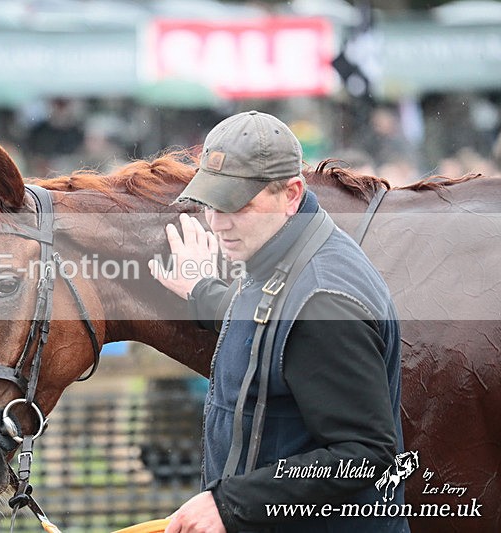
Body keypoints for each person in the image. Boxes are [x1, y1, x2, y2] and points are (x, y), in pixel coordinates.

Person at [148, 111, 407, 532]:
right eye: (211, 203)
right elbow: (273, 325)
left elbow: (364, 455)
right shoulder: (286, 251)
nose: (217, 222)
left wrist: (230, 505)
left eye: (237, 205)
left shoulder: (322, 303)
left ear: (291, 193)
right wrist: (202, 291)